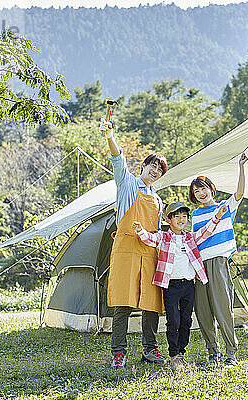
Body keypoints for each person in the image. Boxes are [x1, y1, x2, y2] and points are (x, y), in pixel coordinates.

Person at [99, 117, 168, 369]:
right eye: (153, 166)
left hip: (149, 252)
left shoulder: (159, 200)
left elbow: (158, 231)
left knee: (151, 304)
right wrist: (109, 136)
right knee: (124, 302)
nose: (155, 171)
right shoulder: (127, 184)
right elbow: (118, 160)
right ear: (144, 165)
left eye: (160, 170)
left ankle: (150, 350)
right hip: (126, 250)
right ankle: (118, 352)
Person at [132, 201, 227, 370]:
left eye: (184, 216)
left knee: (186, 320)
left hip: (189, 285)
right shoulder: (163, 237)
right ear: (169, 220)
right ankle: (173, 354)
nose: (182, 219)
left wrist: (217, 217)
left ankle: (181, 353)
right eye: (177, 217)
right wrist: (140, 230)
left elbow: (205, 232)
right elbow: (150, 239)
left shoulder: (190, 237)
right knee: (173, 320)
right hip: (171, 286)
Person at [189, 152, 248, 368]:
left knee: (223, 309)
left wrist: (241, 167)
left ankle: (230, 354)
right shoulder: (194, 215)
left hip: (218, 263)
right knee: (203, 312)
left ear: (211, 189)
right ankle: (213, 353)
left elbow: (240, 192)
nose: (201, 193)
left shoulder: (224, 206)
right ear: (194, 197)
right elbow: (194, 241)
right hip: (198, 266)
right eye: (196, 191)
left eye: (203, 188)